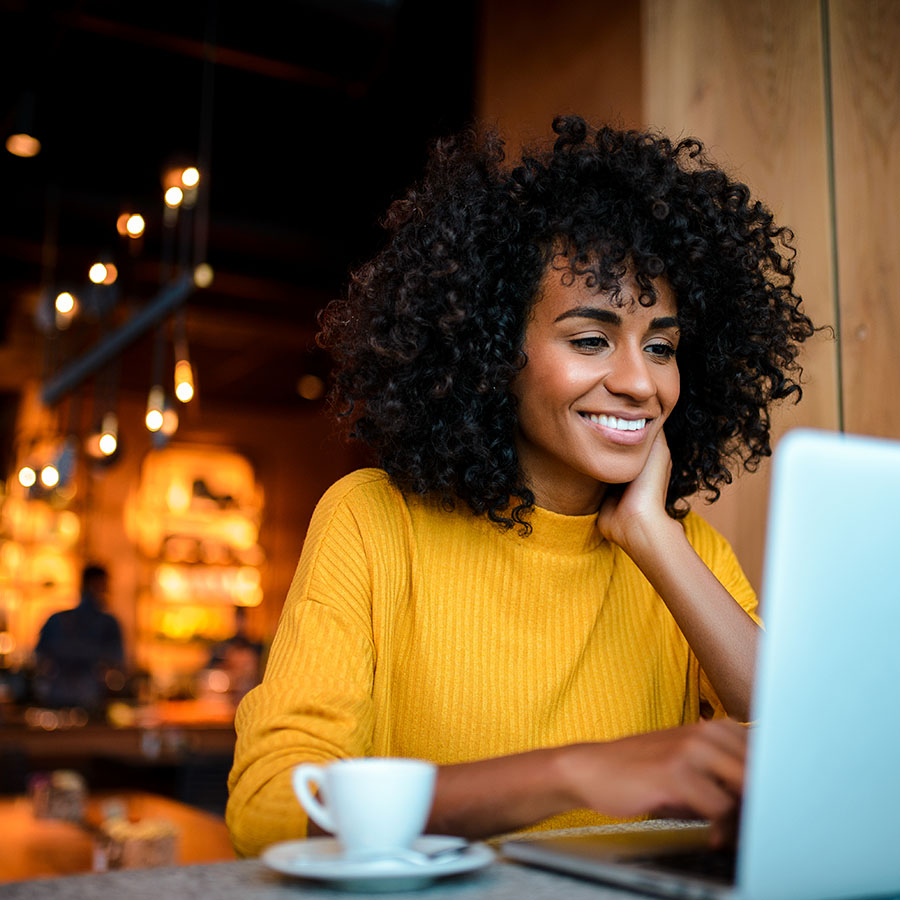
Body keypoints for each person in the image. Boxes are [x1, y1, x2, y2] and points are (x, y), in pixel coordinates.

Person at [226, 117, 816, 857]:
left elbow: (809, 762)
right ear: (492, 348)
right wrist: (571, 775)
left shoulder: (688, 554)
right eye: (590, 339)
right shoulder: (375, 521)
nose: (639, 382)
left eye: (661, 346)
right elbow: (270, 806)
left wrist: (655, 540)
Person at [34, 563, 124, 712]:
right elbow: (39, 657)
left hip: (83, 699)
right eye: (101, 586)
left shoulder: (107, 623)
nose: (104, 591)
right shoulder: (58, 619)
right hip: (72, 699)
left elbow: (117, 661)